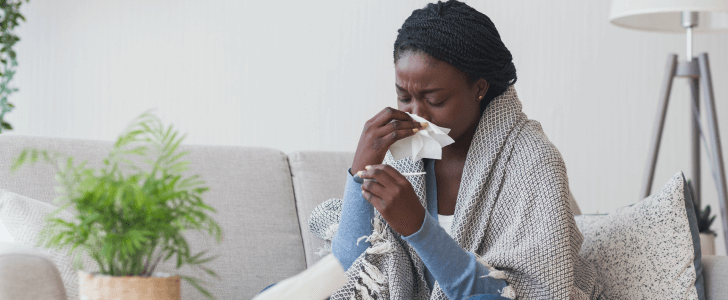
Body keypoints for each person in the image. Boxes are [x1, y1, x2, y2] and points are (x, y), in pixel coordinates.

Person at [309, 1, 605, 299]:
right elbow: (353, 273)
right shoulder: (403, 155)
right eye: (404, 97)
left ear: (479, 87)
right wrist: (359, 170)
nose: (417, 114)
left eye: (435, 100)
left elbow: (526, 294)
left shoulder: (534, 163)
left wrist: (420, 229)